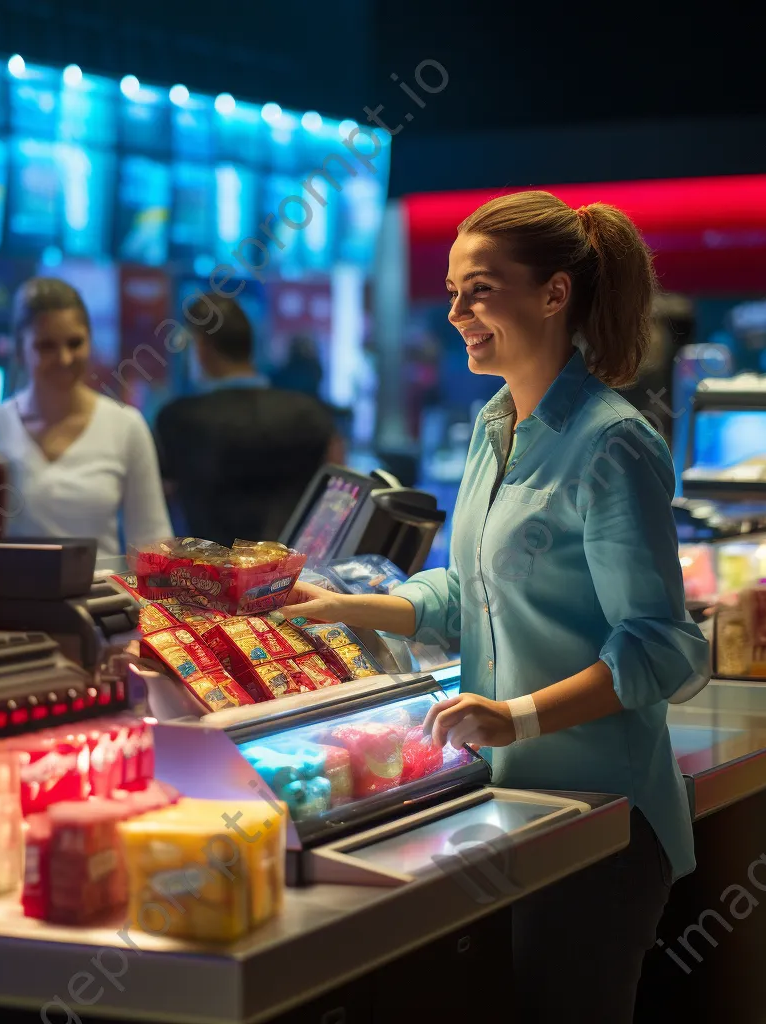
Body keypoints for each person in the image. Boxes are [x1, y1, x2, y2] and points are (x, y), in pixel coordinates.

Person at [284, 191, 709, 1023]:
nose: (456, 314)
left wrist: (515, 716)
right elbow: (463, 590)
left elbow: (662, 648)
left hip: (602, 812)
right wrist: (336, 606)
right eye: (450, 292)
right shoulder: (493, 424)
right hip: (512, 804)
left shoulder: (611, 441)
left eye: (479, 289)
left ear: (554, 294)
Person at [0, 277, 171, 558]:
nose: (64, 358)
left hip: (103, 599)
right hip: (10, 598)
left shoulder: (126, 426)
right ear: (21, 351)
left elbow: (153, 546)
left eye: (75, 343)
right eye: (46, 346)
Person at [155, 297, 341, 545]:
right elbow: (339, 495)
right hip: (293, 574)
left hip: (207, 577)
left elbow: (156, 505)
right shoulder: (308, 413)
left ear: (201, 348)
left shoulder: (178, 420)